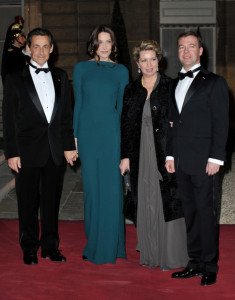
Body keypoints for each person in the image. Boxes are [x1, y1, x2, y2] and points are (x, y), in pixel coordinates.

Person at [3, 28, 77, 265]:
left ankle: (50, 247)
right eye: (36, 46)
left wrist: (68, 146)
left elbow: (66, 115)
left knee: (51, 202)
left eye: (46, 46)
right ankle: (29, 247)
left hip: (54, 150)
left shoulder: (61, 77)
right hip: (26, 151)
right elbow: (10, 118)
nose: (41, 51)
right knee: (27, 202)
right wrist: (11, 151)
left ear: (52, 49)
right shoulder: (15, 79)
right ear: (28, 48)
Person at [165, 31, 229, 286]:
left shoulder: (215, 82)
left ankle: (209, 266)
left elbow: (221, 124)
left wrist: (216, 158)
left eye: (191, 46)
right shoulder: (173, 83)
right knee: (189, 213)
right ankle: (194, 262)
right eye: (181, 47)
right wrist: (170, 154)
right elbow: (172, 124)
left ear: (201, 50)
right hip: (181, 161)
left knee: (206, 214)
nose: (186, 51)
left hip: (205, 162)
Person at [120, 40, 188, 270]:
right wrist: (125, 156)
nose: (148, 64)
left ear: (159, 61)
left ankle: (170, 255)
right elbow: (126, 125)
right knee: (145, 198)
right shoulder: (131, 89)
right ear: (137, 64)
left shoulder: (171, 86)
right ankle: (149, 252)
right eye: (143, 60)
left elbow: (182, 120)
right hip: (140, 153)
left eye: (153, 59)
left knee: (167, 199)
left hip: (165, 153)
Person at [73, 24, 129, 264]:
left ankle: (112, 246)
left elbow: (123, 110)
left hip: (111, 136)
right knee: (93, 192)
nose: (104, 47)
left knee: (112, 190)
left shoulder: (121, 71)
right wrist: (74, 138)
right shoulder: (81, 69)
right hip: (87, 136)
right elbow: (78, 105)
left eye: (108, 42)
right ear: (93, 44)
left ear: (113, 45)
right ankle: (93, 242)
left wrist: (124, 144)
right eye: (100, 42)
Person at [1, 17, 28, 84]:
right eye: (22, 37)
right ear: (16, 39)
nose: (24, 40)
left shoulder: (21, 51)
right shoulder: (11, 53)